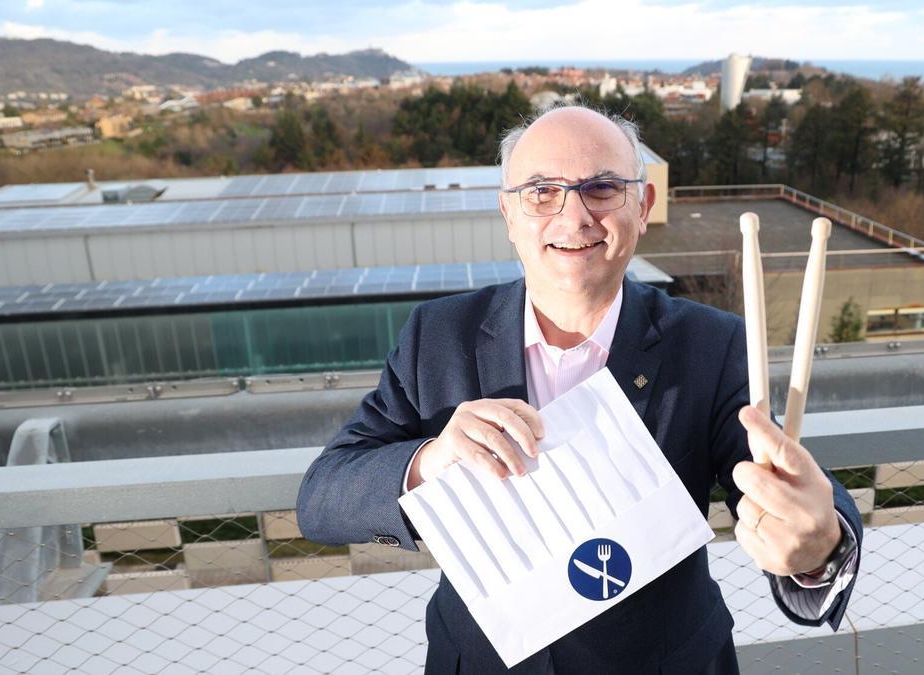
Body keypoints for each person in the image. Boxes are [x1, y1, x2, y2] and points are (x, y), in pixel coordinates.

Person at [297, 104, 861, 674]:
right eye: (542, 191)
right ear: (508, 213)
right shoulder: (438, 336)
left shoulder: (710, 345)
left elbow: (782, 486)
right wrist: (433, 461)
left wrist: (818, 548)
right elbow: (323, 498)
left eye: (601, 188)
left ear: (642, 207)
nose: (573, 217)